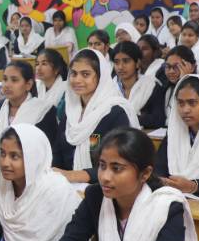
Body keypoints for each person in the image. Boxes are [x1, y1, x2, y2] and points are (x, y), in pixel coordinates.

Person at [43, 128, 199, 241]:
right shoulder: (96, 196)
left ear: (145, 173)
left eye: (116, 168)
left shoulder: (167, 205)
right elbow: (73, 239)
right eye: (102, 166)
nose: (105, 177)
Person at [0, 125, 94, 241]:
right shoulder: (0, 184)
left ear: (33, 158)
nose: (5, 163)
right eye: (3, 154)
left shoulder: (56, 190)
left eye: (14, 156)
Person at [52, 49, 139, 184]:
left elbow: (118, 163)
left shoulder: (114, 112)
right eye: (74, 74)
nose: (77, 80)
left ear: (100, 77)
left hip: (105, 186)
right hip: (68, 186)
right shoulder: (70, 113)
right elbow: (58, 154)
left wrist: (73, 175)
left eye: (85, 74)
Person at [0, 61, 57, 159]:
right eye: (5, 79)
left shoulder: (44, 111)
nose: (7, 85)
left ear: (28, 84)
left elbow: (48, 151)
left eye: (14, 80)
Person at [113, 42, 165, 129]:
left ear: (137, 63)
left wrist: (122, 118)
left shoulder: (151, 86)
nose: (120, 67)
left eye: (126, 61)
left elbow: (158, 120)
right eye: (116, 62)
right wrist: (140, 117)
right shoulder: (110, 88)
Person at [163, 46, 197, 119]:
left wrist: (184, 79)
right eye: (168, 66)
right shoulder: (167, 89)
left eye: (176, 66)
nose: (171, 71)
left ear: (192, 67)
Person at [34, 48, 68, 115]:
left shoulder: (65, 88)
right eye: (37, 64)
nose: (38, 68)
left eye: (44, 64)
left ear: (56, 69)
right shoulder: (36, 85)